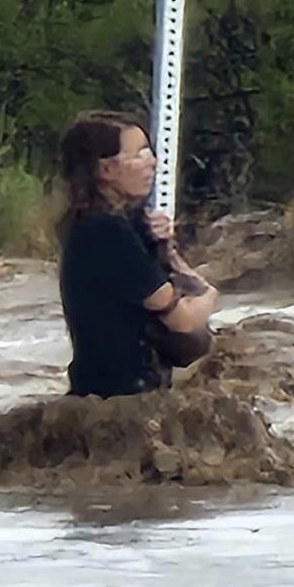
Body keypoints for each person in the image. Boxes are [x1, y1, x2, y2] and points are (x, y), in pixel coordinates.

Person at [55, 111, 220, 399]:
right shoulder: (107, 232)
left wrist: (162, 242)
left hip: (102, 397)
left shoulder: (104, 224)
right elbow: (182, 321)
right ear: (105, 170)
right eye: (139, 155)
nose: (153, 163)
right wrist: (210, 295)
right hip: (124, 402)